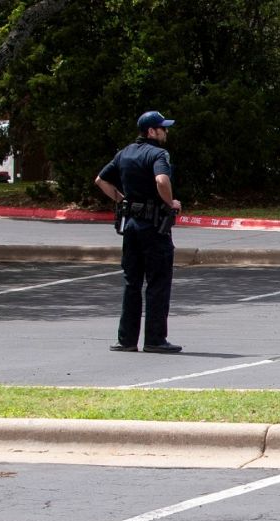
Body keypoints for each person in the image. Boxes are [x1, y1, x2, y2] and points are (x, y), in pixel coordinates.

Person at [93, 110, 183, 353]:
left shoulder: (125, 152)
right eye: (163, 128)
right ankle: (154, 339)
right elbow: (162, 181)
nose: (166, 132)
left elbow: (100, 180)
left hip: (131, 225)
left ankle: (126, 340)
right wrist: (170, 203)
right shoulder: (158, 153)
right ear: (151, 131)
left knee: (132, 281)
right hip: (153, 227)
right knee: (157, 282)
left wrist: (123, 201)